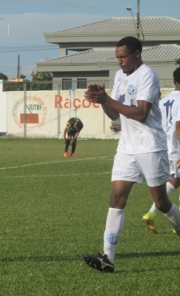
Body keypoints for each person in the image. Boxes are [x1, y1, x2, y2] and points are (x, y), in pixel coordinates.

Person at [82, 36, 180, 273]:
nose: (120, 62)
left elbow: (141, 114)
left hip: (150, 146)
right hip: (127, 147)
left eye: (123, 56)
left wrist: (108, 99)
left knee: (161, 202)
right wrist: (102, 100)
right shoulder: (119, 77)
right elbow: (115, 116)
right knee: (117, 196)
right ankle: (108, 258)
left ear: (137, 53)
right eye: (117, 57)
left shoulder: (148, 75)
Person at [142, 67, 180, 234]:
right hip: (176, 148)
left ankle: (171, 219)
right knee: (174, 182)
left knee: (176, 181)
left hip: (163, 146)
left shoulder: (164, 100)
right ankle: (153, 212)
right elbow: (179, 127)